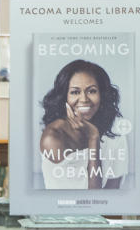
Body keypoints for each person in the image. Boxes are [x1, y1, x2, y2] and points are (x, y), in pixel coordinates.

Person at [38, 59, 128, 190]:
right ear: (64, 97)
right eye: (75, 92)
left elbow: (112, 194)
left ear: (102, 94)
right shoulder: (53, 137)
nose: (84, 99)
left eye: (92, 91)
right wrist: (93, 138)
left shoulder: (115, 131)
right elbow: (92, 196)